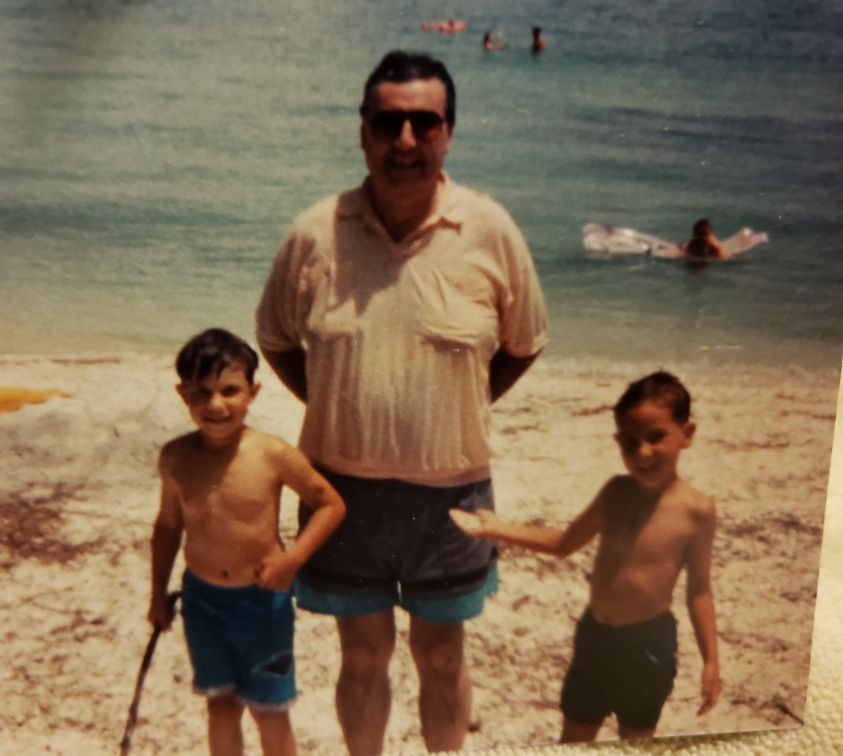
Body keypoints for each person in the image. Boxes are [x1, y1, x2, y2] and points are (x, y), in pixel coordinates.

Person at [255, 51, 548, 755]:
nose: (406, 141)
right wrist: (336, 397)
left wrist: (462, 404)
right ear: (363, 131)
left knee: (443, 657)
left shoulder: (491, 231)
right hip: (340, 494)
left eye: (425, 123)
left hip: (452, 496)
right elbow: (276, 339)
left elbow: (523, 342)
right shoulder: (314, 234)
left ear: (449, 133)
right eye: (389, 122)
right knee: (362, 658)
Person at [450, 371, 721, 742]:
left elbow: (700, 590)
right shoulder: (615, 492)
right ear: (617, 442)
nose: (642, 452)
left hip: (648, 646)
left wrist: (711, 661)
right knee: (575, 735)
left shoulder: (697, 511)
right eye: (629, 442)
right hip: (595, 636)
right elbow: (564, 543)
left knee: (636, 739)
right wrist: (496, 528)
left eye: (656, 437)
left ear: (686, 434)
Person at [148, 328, 346, 756]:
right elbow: (167, 527)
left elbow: (330, 505)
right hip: (202, 603)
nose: (215, 404)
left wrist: (292, 561)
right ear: (183, 394)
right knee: (220, 707)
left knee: (269, 711)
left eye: (229, 390)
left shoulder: (271, 453)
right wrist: (156, 596)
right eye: (201, 392)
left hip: (262, 604)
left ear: (252, 392)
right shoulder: (175, 457)